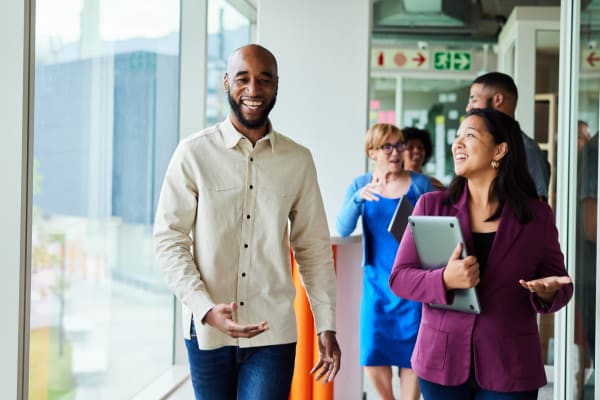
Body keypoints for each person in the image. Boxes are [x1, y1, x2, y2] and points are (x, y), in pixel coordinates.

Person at [153, 44, 341, 400]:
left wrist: (326, 324)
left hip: (273, 334)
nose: (253, 90)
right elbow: (169, 240)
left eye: (264, 80)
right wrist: (204, 307)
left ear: (276, 86)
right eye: (243, 79)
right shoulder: (193, 154)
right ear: (226, 82)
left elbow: (313, 248)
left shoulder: (298, 161)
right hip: (208, 332)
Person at [389, 107, 573, 399]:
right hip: (441, 362)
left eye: (470, 136)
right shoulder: (430, 205)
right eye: (457, 136)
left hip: (511, 364)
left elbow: (560, 282)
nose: (457, 143)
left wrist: (548, 292)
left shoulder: (536, 215)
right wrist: (444, 280)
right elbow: (399, 278)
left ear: (499, 150)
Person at [336, 123, 434, 400]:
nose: (395, 152)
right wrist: (357, 199)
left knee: (411, 357)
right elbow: (342, 228)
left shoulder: (419, 184)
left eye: (399, 145)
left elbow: (435, 233)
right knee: (372, 352)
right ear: (372, 152)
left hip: (413, 287)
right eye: (387, 146)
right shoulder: (361, 184)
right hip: (376, 285)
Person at [466, 71, 551, 201]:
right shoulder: (479, 146)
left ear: (498, 100)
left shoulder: (526, 150)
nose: (468, 108)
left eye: (474, 99)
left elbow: (538, 206)